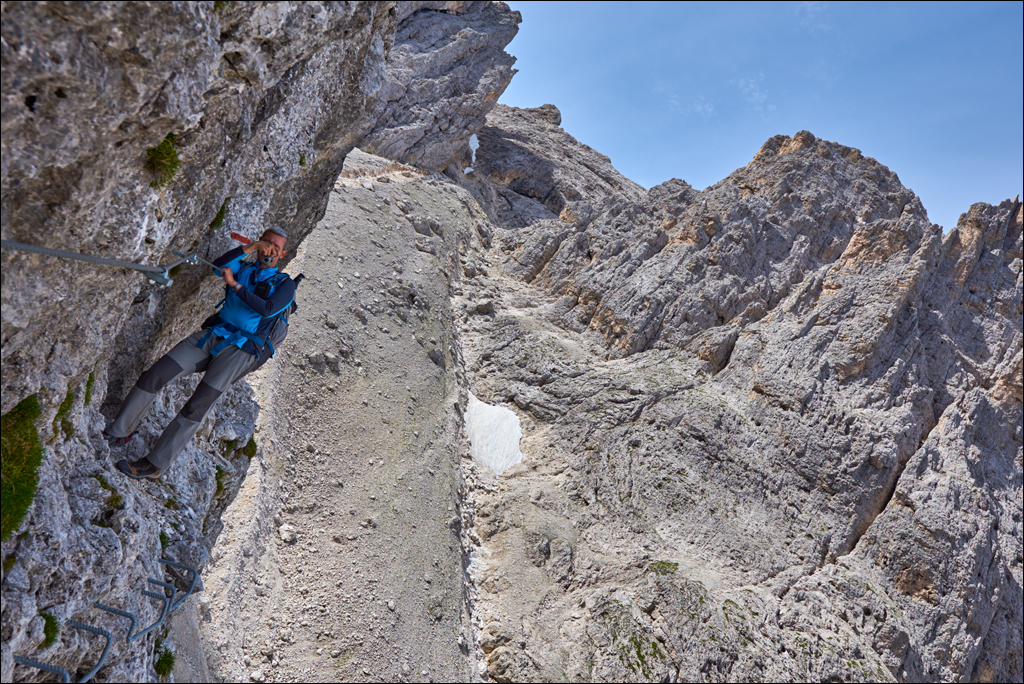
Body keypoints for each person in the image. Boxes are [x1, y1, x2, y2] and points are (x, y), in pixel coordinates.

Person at [104, 227, 296, 479]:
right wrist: (248, 249)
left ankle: (154, 465)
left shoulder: (285, 284)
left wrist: (235, 286)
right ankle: (120, 430)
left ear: (282, 254)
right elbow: (218, 265)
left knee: (197, 406)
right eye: (266, 242)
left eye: (275, 246)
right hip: (214, 334)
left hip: (240, 351)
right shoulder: (246, 267)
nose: (269, 249)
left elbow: (268, 309)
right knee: (157, 374)